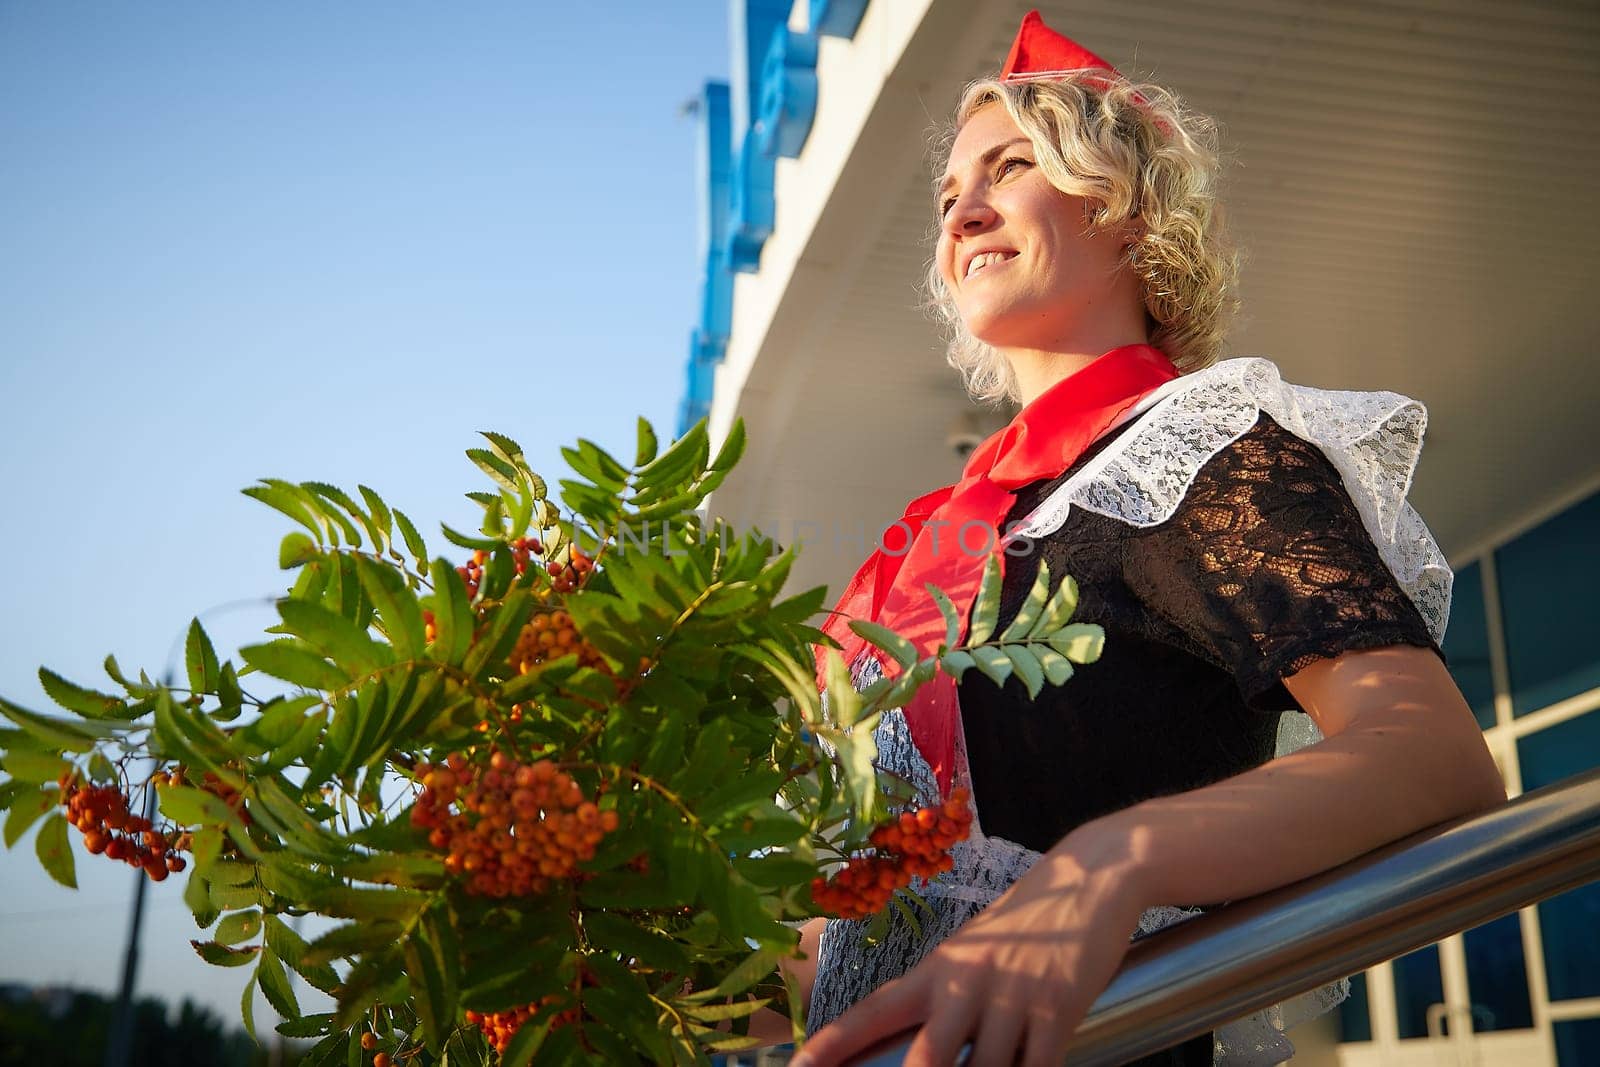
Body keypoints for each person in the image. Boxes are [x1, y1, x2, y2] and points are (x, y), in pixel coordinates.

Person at [770, 10, 1506, 1067]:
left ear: (1124, 211)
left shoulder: (1195, 454)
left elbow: (1431, 758)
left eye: (1009, 167)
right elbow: (884, 941)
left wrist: (1110, 864)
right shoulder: (953, 540)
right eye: (945, 199)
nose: (961, 212)